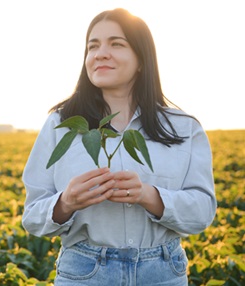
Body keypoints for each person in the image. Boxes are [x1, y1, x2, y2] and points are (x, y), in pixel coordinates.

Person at [21, 8, 216, 286]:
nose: (100, 53)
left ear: (141, 59)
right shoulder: (61, 124)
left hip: (162, 273)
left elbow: (202, 212)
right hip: (84, 273)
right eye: (93, 46)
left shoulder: (184, 128)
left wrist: (149, 196)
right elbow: (32, 216)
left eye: (116, 43)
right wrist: (65, 203)